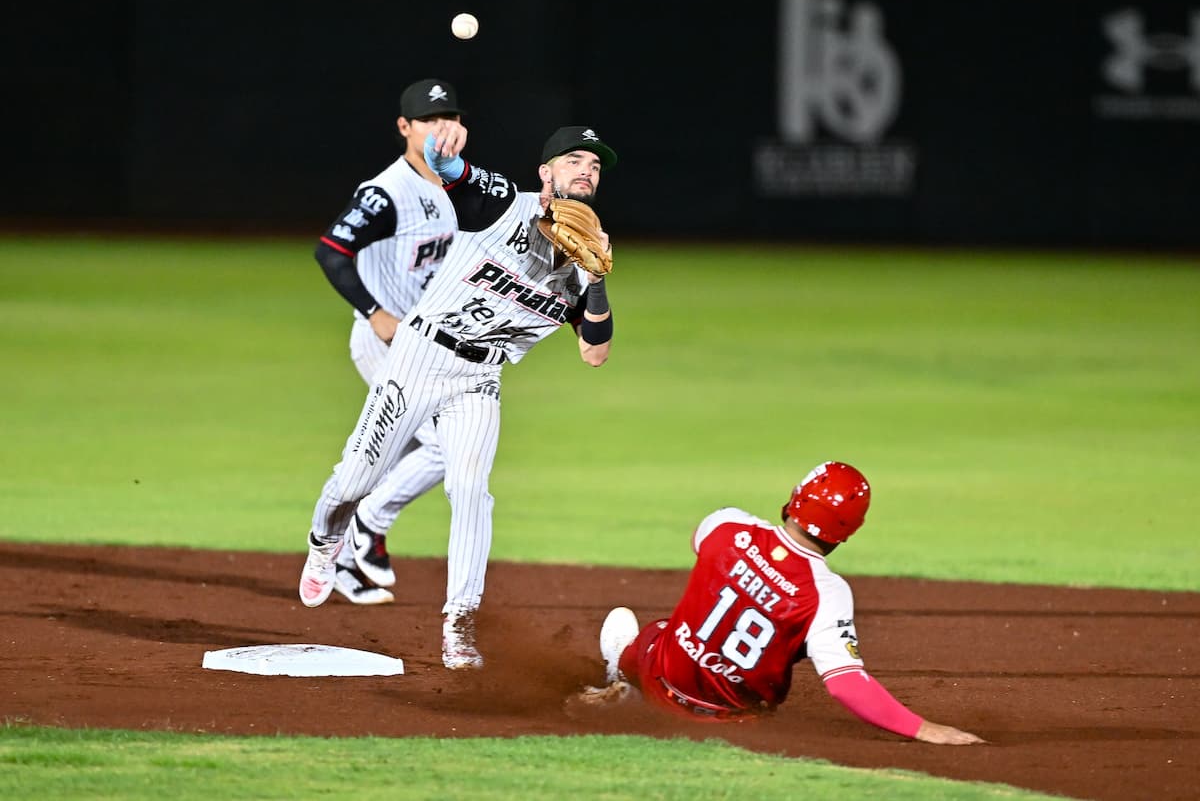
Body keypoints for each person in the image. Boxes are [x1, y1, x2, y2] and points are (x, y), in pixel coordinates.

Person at [299, 124, 620, 671]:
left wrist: (595, 281)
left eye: (594, 165)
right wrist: (440, 147)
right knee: (354, 480)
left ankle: (460, 623)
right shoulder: (502, 205)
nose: (586, 170)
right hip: (419, 358)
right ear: (545, 172)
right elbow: (451, 171)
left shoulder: (587, 254)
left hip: (480, 379)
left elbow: (595, 351)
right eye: (574, 160)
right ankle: (325, 541)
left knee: (471, 490)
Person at [591, 461, 986, 744]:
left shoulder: (728, 525)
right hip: (731, 726)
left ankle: (623, 674)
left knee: (661, 632)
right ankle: (634, 689)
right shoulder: (828, 594)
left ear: (795, 499)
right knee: (787, 640)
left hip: (663, 682)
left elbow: (702, 543)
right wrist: (925, 729)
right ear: (848, 531)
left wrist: (753, 573)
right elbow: (846, 684)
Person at [311, 78, 469, 605]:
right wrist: (374, 312)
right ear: (405, 127)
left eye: (450, 118)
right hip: (388, 346)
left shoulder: (460, 186)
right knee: (446, 449)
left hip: (432, 348)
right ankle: (368, 523)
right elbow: (331, 251)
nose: (441, 128)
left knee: (388, 456)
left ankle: (344, 560)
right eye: (428, 120)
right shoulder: (387, 193)